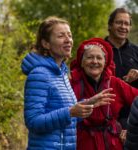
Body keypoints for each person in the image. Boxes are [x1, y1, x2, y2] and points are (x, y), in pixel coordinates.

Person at [21, 16, 115, 150]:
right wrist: (70, 112)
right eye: (61, 36)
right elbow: (33, 122)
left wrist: (88, 104)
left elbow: (66, 117)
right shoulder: (39, 74)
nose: (68, 40)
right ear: (46, 43)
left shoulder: (62, 73)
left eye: (69, 35)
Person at [70, 37, 138, 150]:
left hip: (113, 143)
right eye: (89, 57)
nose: (95, 61)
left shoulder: (115, 83)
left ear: (105, 62)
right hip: (82, 143)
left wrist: (131, 130)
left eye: (99, 58)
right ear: (81, 62)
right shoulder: (71, 84)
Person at [105, 8, 138, 140]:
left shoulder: (136, 51)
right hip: (107, 120)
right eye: (119, 22)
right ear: (110, 25)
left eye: (126, 23)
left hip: (134, 119)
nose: (123, 27)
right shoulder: (99, 49)